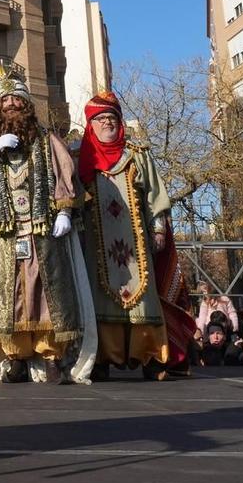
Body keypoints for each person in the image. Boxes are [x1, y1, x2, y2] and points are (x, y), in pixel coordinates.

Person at [0, 64, 94, 384]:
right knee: (12, 292)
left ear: (26, 104)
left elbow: (66, 173)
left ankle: (50, 356)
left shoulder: (47, 138)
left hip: (42, 228)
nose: (11, 105)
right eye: (4, 101)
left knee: (45, 292)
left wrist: (64, 210)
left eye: (16, 100)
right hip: (4, 231)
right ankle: (15, 357)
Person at [73, 92, 174, 381]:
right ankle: (103, 357)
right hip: (96, 244)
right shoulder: (80, 158)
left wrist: (158, 229)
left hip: (136, 244)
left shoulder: (137, 155)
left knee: (144, 299)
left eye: (112, 118)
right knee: (100, 298)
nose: (107, 123)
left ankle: (152, 358)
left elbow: (155, 195)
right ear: (90, 125)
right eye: (100, 119)